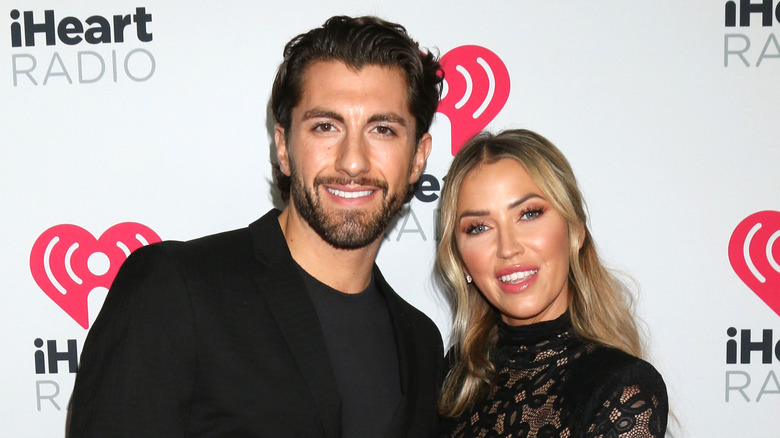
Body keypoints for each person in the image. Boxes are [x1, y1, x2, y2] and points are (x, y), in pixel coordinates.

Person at [67, 15, 444, 438]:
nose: (352, 161)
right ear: (283, 148)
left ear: (417, 158)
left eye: (382, 129)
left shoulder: (422, 345)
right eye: (325, 126)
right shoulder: (177, 289)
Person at [435, 129, 668, 437]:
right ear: (461, 260)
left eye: (528, 214)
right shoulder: (452, 378)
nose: (508, 248)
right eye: (479, 228)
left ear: (575, 231)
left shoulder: (620, 388)